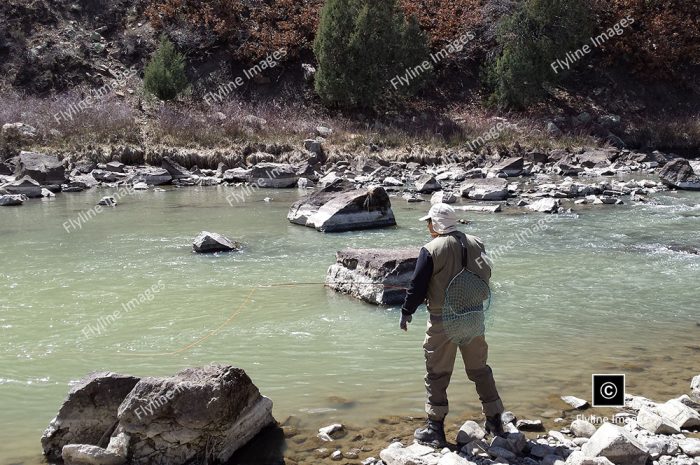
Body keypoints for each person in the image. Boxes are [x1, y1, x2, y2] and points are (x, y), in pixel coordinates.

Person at [400, 203, 505, 447]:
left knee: (437, 373)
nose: (427, 226)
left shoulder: (430, 249)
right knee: (480, 370)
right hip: (474, 317)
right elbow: (485, 274)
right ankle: (495, 421)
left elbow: (417, 286)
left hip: (442, 321)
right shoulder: (477, 242)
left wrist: (406, 312)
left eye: (429, 222)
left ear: (435, 224)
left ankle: (435, 429)